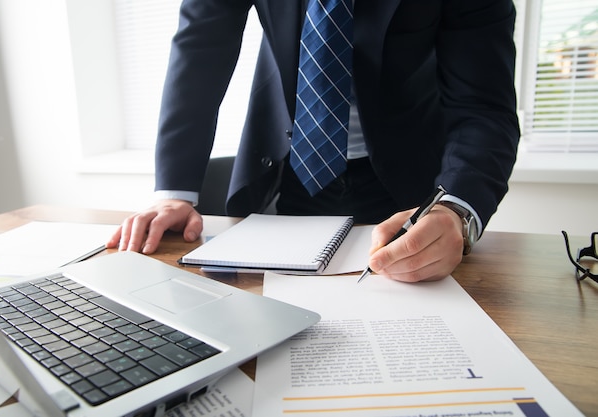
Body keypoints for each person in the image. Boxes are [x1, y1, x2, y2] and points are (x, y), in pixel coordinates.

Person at [107, 0, 520, 283]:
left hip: (410, 181)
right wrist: (173, 192)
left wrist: (456, 211)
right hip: (291, 166)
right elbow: (199, 52)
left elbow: (483, 105)